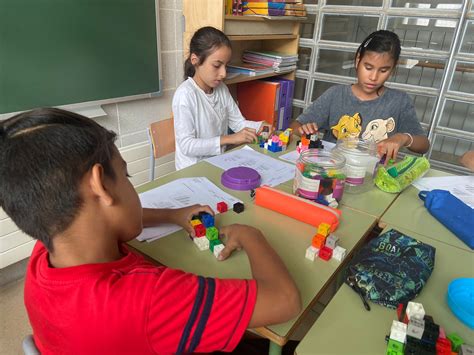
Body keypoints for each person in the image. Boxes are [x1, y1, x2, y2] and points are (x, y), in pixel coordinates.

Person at [0, 108, 300, 354]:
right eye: (126, 174)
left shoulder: (46, 251)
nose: (131, 184)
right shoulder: (148, 301)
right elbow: (285, 301)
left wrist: (172, 213)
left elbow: (109, 219)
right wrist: (252, 236)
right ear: (101, 185)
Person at [290, 30, 430, 162]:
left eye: (383, 70)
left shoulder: (399, 101)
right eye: (368, 67)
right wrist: (302, 130)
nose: (373, 77)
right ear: (358, 60)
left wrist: (403, 138)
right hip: (334, 172)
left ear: (392, 69)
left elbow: (424, 145)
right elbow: (295, 127)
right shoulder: (336, 95)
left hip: (372, 174)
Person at [173, 26, 272, 170]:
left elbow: (238, 123)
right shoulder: (185, 95)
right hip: (192, 170)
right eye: (217, 65)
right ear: (195, 60)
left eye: (226, 66)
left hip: (219, 163)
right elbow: (187, 146)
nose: (224, 73)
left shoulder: (221, 89)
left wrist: (260, 126)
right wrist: (230, 139)